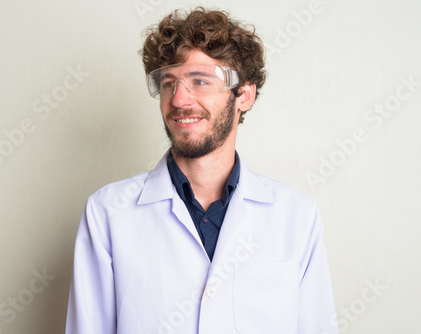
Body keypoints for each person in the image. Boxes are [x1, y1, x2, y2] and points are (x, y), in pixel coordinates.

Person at [65, 7, 338, 334]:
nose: (179, 99)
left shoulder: (296, 217)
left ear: (244, 95)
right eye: (169, 82)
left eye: (200, 81)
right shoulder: (108, 213)